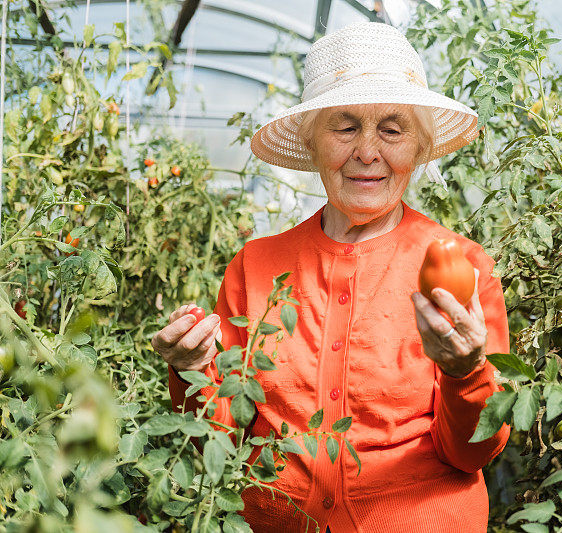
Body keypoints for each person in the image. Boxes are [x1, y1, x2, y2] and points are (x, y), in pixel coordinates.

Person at [151, 21, 510, 533]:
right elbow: (220, 439)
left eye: (392, 129)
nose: (367, 151)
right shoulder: (255, 266)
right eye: (344, 127)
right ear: (312, 142)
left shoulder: (463, 267)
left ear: (419, 146)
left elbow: (473, 454)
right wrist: (193, 371)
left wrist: (465, 371)